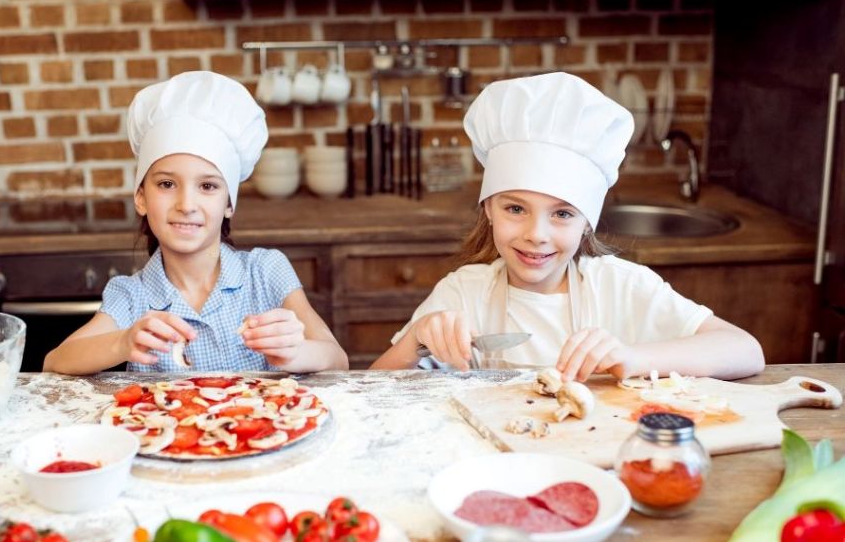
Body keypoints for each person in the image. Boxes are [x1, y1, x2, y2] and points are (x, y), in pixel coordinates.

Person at [371, 72, 765, 381]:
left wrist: (632, 357)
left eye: (562, 214)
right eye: (515, 208)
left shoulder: (621, 286)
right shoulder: (464, 292)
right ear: (488, 208)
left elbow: (745, 350)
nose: (536, 234)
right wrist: (415, 339)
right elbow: (370, 389)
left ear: (586, 224)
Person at [44, 71, 348, 375]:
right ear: (141, 198)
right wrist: (122, 342)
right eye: (166, 184)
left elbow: (338, 360)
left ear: (229, 203)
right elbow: (55, 362)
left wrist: (297, 353)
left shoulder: (265, 272)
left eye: (208, 187)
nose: (186, 205)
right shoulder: (131, 296)